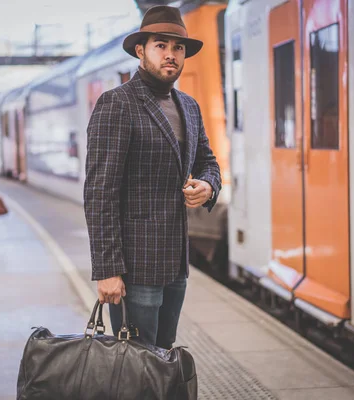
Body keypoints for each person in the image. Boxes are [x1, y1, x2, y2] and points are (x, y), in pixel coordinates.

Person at [83, 5, 221, 349]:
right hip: (135, 267)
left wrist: (208, 185)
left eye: (178, 48)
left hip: (176, 263)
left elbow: (208, 161)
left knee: (162, 357)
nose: (171, 55)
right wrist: (107, 269)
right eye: (161, 45)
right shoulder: (117, 104)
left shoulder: (188, 106)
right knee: (137, 362)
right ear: (141, 50)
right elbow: (100, 192)